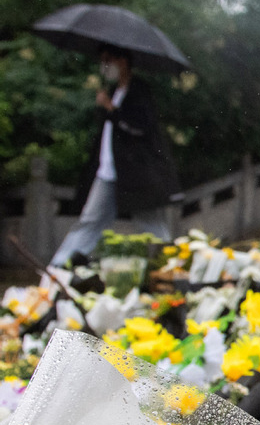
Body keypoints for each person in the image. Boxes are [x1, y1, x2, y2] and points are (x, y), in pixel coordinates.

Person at [52, 45, 180, 267]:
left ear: (122, 61)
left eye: (107, 60)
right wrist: (104, 107)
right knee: (90, 221)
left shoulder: (139, 90)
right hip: (107, 171)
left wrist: (111, 108)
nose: (104, 66)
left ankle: (172, 266)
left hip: (136, 173)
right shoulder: (112, 91)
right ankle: (58, 268)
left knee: (150, 223)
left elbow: (140, 126)